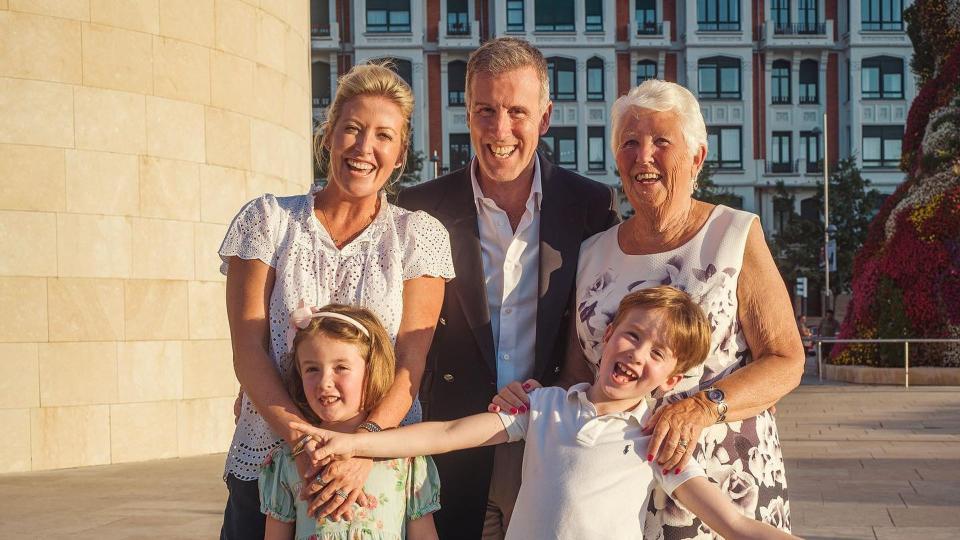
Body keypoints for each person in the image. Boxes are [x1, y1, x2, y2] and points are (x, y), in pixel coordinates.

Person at [493, 80, 804, 537]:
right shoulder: (593, 251)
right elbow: (580, 374)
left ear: (696, 157)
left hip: (722, 479)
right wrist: (533, 401)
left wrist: (703, 407)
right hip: (613, 493)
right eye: (630, 144)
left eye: (662, 142)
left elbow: (786, 359)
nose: (644, 156)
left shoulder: (735, 234)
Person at [293, 287, 799, 540]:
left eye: (658, 352)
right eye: (632, 335)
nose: (638, 354)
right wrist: (355, 442)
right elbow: (447, 433)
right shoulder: (544, 407)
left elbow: (732, 522)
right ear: (606, 337)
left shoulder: (655, 441)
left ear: (670, 380)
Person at [218, 62, 454, 540]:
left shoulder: (419, 237)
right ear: (327, 137)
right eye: (352, 129)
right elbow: (248, 352)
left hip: (380, 471)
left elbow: (411, 364)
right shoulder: (268, 222)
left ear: (400, 152)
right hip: (272, 464)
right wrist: (305, 446)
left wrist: (363, 448)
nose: (365, 148)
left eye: (384, 136)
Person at [395, 37, 619, 538]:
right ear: (467, 114)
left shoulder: (590, 205)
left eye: (517, 111)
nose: (500, 129)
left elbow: (610, 314)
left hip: (550, 439)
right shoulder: (418, 207)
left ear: (544, 117)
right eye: (485, 110)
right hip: (451, 438)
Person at [260, 303, 439, 540]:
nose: (325, 382)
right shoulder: (288, 460)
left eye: (341, 368)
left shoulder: (406, 459)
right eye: (312, 369)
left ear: (371, 370)